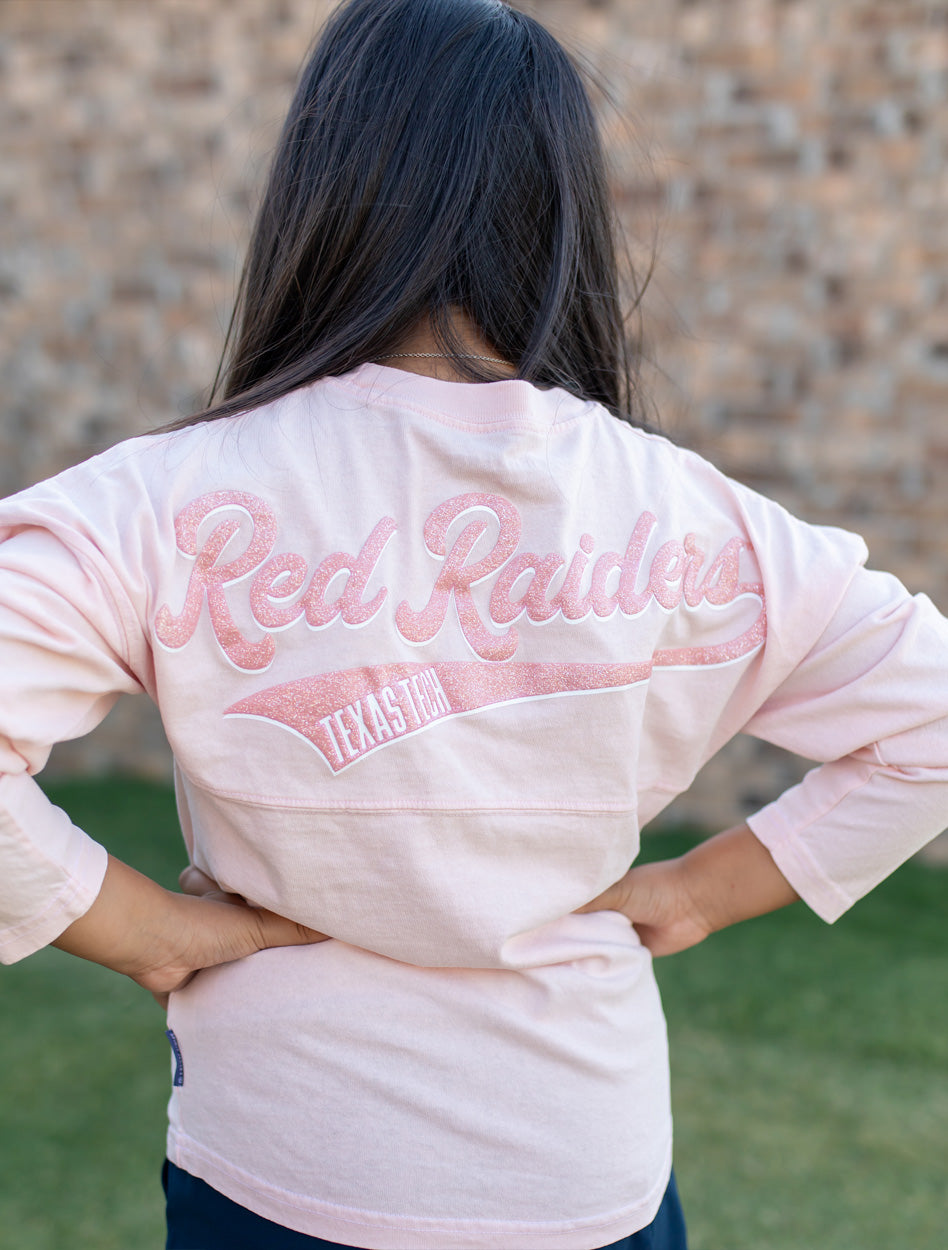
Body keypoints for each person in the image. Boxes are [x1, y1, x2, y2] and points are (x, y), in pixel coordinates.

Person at [1, 1, 946, 1247]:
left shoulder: (167, 499)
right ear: (564, 212)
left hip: (280, 1155)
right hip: (583, 1167)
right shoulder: (684, 510)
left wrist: (149, 933)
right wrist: (696, 895)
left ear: (320, 190)